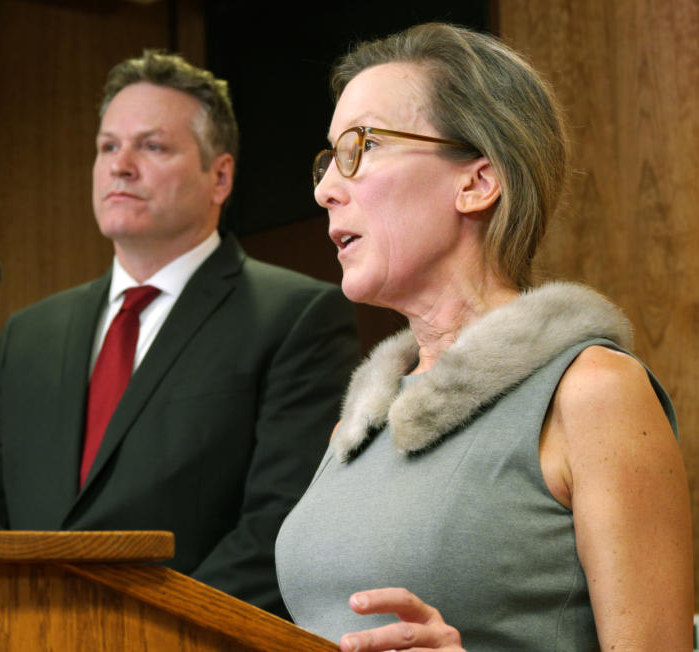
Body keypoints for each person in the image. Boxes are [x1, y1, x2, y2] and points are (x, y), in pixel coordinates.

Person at [275, 22, 693, 650]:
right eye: (330, 158)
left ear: (477, 182)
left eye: (362, 146)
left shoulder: (593, 392)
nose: (325, 189)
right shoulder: (355, 427)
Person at [0, 49, 360, 619]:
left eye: (152, 146)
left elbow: (277, 531)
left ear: (220, 177)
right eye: (107, 146)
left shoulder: (297, 317)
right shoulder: (30, 334)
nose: (121, 165)